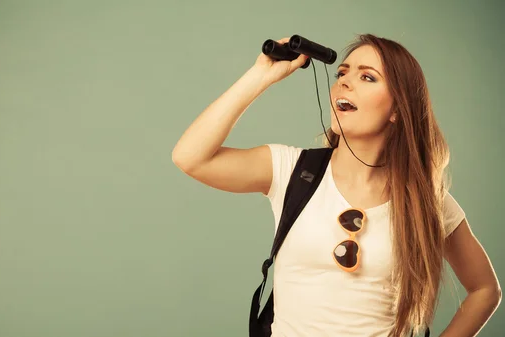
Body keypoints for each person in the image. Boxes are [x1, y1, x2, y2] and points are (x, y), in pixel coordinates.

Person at [171, 34, 501, 337]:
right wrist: (262, 75)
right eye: (341, 74)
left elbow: (485, 289)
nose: (344, 83)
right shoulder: (291, 170)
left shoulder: (424, 199)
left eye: (367, 77)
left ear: (398, 110)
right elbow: (191, 158)